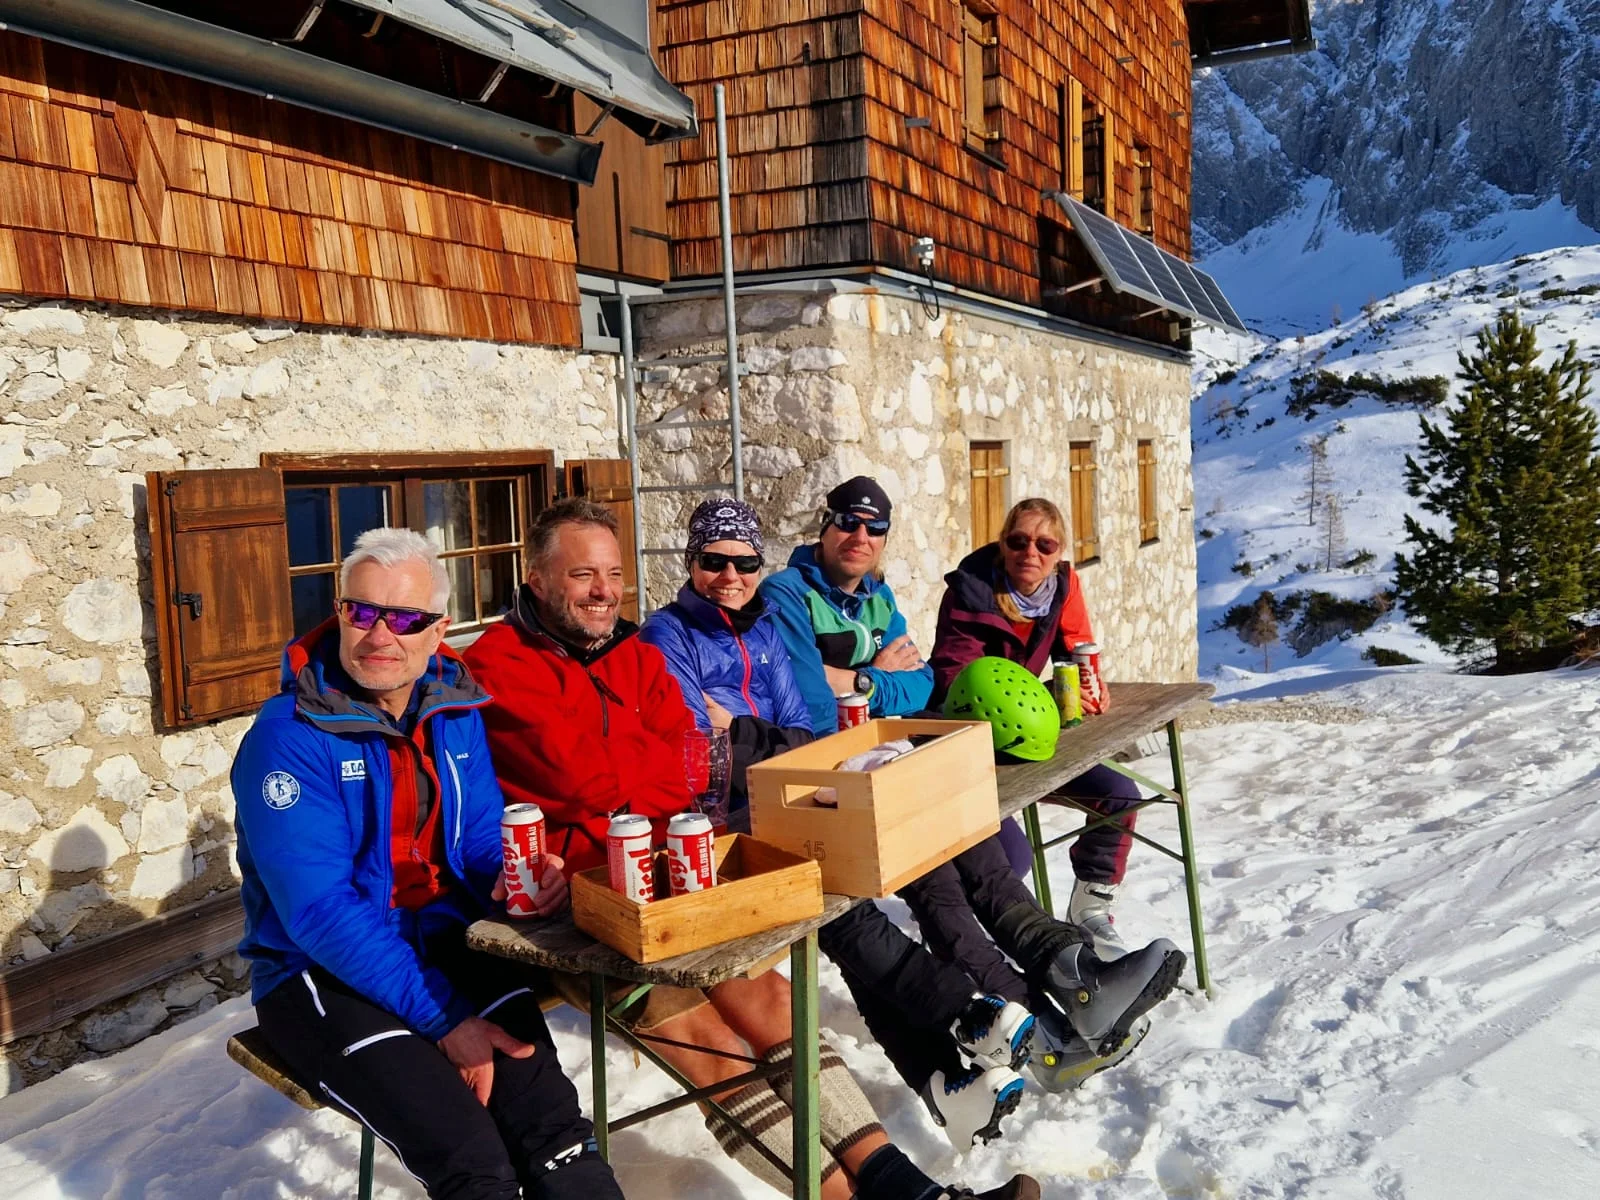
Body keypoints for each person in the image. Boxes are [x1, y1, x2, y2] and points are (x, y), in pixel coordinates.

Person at [464, 499, 1037, 1200]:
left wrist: (653, 763)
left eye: (613, 574)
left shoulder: (632, 650)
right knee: (713, 1051)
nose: (604, 591)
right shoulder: (497, 665)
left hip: (675, 877)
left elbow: (692, 760)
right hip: (578, 909)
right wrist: (651, 761)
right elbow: (579, 774)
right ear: (536, 576)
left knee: (774, 1003)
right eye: (583, 574)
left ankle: (911, 1190)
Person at [640, 498, 1041, 1149]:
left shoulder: (766, 627)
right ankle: (964, 1014)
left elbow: (810, 723)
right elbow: (697, 750)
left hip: (793, 798)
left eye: (744, 562)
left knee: (878, 895)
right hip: (720, 826)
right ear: (691, 563)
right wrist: (762, 741)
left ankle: (945, 1080)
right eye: (714, 561)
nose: (731, 576)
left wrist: (743, 731)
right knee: (845, 916)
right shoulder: (667, 637)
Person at [231, 528, 619, 1200]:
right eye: (362, 611)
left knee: (555, 1134)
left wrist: (516, 872)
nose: (380, 635)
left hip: (442, 942)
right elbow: (319, 913)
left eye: (405, 618)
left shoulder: (452, 707)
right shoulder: (287, 738)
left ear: (438, 630)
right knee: (471, 1161)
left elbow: (473, 839)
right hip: (318, 974)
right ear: (340, 610)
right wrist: (445, 1021)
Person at [929, 497, 1147, 958]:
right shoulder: (970, 593)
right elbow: (954, 680)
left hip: (1032, 733)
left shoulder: (1062, 586)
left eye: (1045, 544)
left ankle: (1090, 909)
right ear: (1002, 545)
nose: (1031, 552)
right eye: (1018, 540)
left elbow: (1077, 649)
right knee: (1010, 857)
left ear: (1059, 552)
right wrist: (1037, 701)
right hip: (970, 739)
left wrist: (1091, 687)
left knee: (1120, 796)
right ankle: (979, 941)